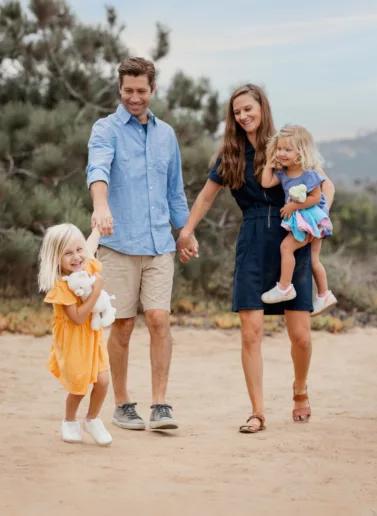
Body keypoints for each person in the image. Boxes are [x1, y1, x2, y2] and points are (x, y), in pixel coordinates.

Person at [177, 84, 335, 431]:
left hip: (292, 241)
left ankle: (299, 390)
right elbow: (204, 199)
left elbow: (326, 187)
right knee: (250, 333)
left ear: (262, 108)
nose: (243, 116)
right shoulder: (228, 156)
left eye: (249, 109)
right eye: (237, 112)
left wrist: (316, 223)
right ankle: (257, 412)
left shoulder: (284, 144)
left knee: (301, 336)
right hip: (252, 241)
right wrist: (187, 231)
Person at [86, 57, 193, 431]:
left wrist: (185, 232)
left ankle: (161, 405)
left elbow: (174, 191)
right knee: (124, 326)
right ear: (120, 88)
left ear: (153, 90)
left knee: (160, 319)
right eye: (128, 90)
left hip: (160, 244)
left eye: (141, 91)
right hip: (118, 244)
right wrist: (100, 206)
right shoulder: (106, 129)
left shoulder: (166, 135)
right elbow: (97, 169)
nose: (135, 98)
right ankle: (121, 403)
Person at [38, 224, 112, 446]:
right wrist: (97, 291)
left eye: (78, 250)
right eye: (67, 253)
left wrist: (98, 229)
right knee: (78, 386)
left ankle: (92, 419)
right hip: (73, 342)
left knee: (103, 380)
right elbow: (78, 317)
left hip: (92, 336)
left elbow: (90, 245)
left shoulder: (86, 265)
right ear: (56, 258)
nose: (76, 257)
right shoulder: (61, 288)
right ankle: (69, 421)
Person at [261, 124, 337, 316]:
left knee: (286, 248)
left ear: (301, 152)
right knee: (313, 260)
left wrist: (292, 206)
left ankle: (285, 287)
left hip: (309, 220)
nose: (282, 153)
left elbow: (315, 198)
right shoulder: (284, 173)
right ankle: (324, 294)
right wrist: (268, 165)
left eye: (287, 149)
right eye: (279, 149)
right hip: (308, 221)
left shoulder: (309, 174)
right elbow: (266, 183)